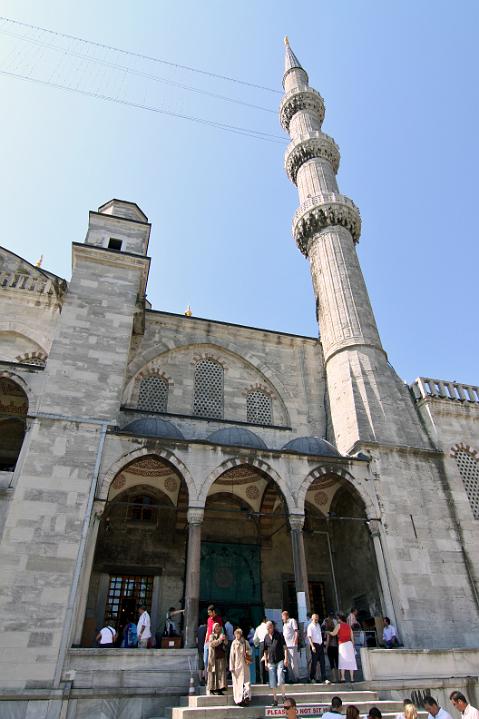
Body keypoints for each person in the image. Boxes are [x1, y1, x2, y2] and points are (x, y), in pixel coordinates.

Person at [263, 619, 288, 707]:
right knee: (272, 681)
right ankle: (275, 699)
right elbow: (265, 651)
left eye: (269, 628)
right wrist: (265, 662)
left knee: (280, 677)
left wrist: (286, 659)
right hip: (271, 661)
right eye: (267, 628)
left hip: (280, 659)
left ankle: (284, 696)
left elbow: (285, 647)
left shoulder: (279, 635)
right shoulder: (266, 637)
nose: (268, 630)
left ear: (272, 627)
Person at [327, 613, 357, 682]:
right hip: (349, 644)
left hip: (342, 645)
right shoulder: (348, 626)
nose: (337, 620)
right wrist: (353, 645)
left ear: (340, 619)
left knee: (342, 661)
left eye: (337, 618)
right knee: (351, 661)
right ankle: (352, 679)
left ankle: (343, 678)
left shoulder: (338, 625)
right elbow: (352, 637)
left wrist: (328, 632)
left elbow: (334, 633)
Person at [229, 627, 252, 706]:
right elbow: (232, 656)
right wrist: (231, 666)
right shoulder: (234, 643)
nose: (237, 635)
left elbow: (250, 650)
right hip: (237, 666)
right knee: (237, 683)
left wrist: (247, 652)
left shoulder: (245, 642)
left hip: (245, 664)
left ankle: (247, 697)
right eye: (236, 634)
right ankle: (239, 699)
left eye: (238, 634)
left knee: (247, 682)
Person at [307, 613, 329, 684]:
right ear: (312, 618)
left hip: (320, 645)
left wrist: (323, 645)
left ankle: (324, 678)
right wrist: (312, 646)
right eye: (315, 618)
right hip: (314, 645)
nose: (316, 619)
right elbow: (309, 637)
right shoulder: (310, 626)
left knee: (323, 662)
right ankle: (312, 677)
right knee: (314, 662)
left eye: (317, 618)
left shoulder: (318, 625)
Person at [207, 622, 227, 695]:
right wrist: (219, 640)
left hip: (221, 657)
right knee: (213, 673)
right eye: (216, 627)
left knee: (220, 674)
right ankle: (212, 689)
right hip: (213, 658)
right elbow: (212, 644)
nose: (217, 628)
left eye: (218, 626)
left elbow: (226, 643)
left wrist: (224, 640)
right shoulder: (211, 636)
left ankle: (220, 688)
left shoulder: (222, 635)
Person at [204, 605, 223, 677]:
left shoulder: (219, 619)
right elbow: (208, 630)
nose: (209, 614)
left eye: (210, 612)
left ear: (213, 612)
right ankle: (206, 678)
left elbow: (221, 630)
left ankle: (212, 678)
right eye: (208, 612)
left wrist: (219, 640)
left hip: (215, 642)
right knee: (205, 660)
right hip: (207, 642)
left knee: (213, 661)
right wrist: (205, 641)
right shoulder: (208, 619)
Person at [281, 610, 299, 683]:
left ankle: (297, 678)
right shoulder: (284, 624)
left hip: (292, 644)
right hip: (286, 646)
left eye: (283, 616)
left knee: (293, 662)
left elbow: (296, 631)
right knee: (287, 663)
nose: (282, 618)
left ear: (286, 616)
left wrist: (295, 640)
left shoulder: (292, 621)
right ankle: (291, 678)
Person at [253, 617, 269, 683]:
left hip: (261, 644)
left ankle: (263, 680)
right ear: (264, 620)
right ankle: (271, 678)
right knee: (270, 660)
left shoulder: (258, 628)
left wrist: (257, 645)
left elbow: (255, 639)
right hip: (269, 643)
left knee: (261, 662)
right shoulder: (268, 626)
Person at [325, 616, 339, 683]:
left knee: (332, 663)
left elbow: (328, 641)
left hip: (330, 647)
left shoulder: (328, 631)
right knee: (337, 663)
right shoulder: (335, 629)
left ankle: (334, 678)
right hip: (336, 647)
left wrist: (326, 648)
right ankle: (340, 677)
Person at [197, 621, 207, 685]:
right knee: (205, 664)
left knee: (200, 665)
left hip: (199, 649)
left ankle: (200, 679)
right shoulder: (206, 629)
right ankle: (205, 679)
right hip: (204, 648)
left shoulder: (198, 629)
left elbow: (196, 639)